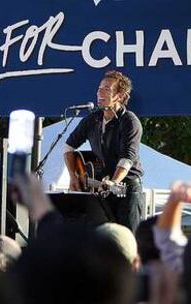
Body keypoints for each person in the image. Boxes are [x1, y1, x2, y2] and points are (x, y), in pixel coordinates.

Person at [64, 70, 144, 231]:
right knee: (102, 242)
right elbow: (68, 147)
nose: (99, 92)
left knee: (128, 242)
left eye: (106, 89)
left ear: (120, 96)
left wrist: (114, 182)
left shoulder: (129, 121)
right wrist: (73, 176)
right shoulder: (92, 119)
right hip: (102, 189)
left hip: (126, 189)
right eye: (99, 88)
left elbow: (127, 159)